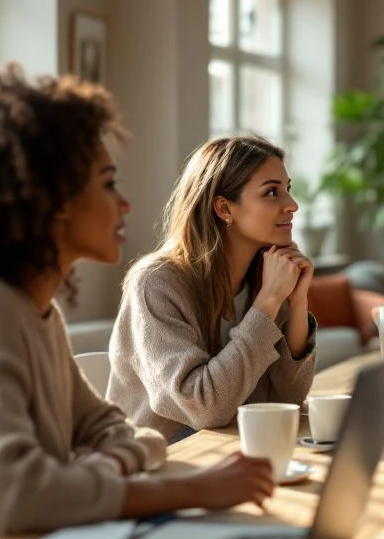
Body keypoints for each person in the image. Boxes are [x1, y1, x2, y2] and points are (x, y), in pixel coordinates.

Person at [0, 67, 275, 539]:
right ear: (50, 201)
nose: (125, 204)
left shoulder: (35, 313)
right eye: (107, 183)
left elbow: (118, 430)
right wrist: (193, 489)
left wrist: (106, 463)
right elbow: (12, 495)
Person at [108, 135, 316, 444]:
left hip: (233, 454)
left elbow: (289, 398)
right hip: (162, 466)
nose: (292, 205)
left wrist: (297, 303)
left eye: (288, 189)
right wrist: (268, 303)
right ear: (224, 208)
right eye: (272, 192)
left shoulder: (266, 276)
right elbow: (205, 407)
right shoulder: (154, 283)